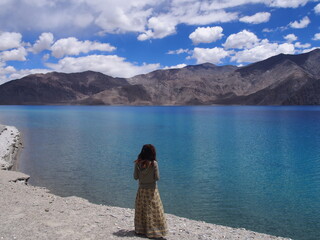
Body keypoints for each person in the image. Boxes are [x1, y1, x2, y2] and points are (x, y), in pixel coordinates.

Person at [134, 144, 167, 238]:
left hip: (141, 190)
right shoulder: (154, 164)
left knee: (142, 209)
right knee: (154, 210)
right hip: (152, 191)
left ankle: (141, 230)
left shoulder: (138, 163)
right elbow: (157, 178)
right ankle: (154, 231)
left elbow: (135, 177)